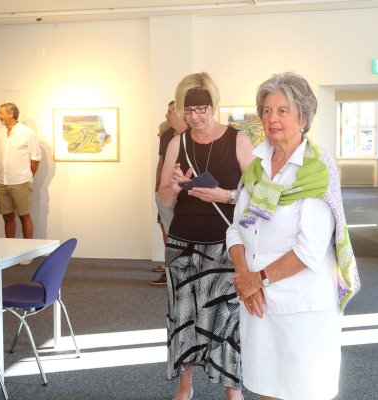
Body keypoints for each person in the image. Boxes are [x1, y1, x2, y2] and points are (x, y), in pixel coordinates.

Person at [227, 72, 360, 400]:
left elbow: (310, 249)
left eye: (282, 111)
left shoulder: (316, 168)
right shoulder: (257, 167)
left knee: (302, 391)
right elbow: (236, 229)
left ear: (303, 117)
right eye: (267, 111)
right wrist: (245, 277)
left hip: (302, 307)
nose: (272, 118)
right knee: (268, 390)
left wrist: (257, 279)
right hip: (258, 302)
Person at [158, 72, 254, 400]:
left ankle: (233, 390)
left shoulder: (237, 140)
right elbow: (164, 199)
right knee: (183, 318)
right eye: (189, 111)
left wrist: (224, 195)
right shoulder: (177, 143)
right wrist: (173, 185)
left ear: (214, 107)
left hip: (226, 245)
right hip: (182, 243)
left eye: (202, 110)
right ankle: (185, 387)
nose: (195, 118)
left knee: (226, 318)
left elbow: (257, 196)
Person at [152, 101, 188, 286]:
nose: (167, 115)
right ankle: (170, 268)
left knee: (180, 232)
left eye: (170, 112)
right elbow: (161, 163)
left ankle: (178, 270)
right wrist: (158, 188)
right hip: (165, 192)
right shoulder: (166, 136)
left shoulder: (193, 136)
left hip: (184, 194)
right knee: (166, 230)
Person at [0, 103, 41, 242]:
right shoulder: (0, 133)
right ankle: (10, 249)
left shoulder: (27, 133)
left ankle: (28, 250)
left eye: (1, 113)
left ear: (10, 114)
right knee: (7, 217)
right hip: (2, 182)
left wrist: (26, 176)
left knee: (24, 217)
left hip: (21, 183)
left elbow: (36, 158)